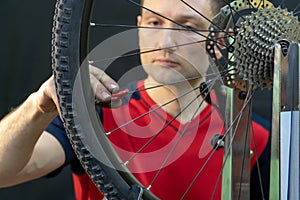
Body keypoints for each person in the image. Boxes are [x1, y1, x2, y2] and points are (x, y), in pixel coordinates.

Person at [0, 0, 270, 199]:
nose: (165, 42)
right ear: (139, 26)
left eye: (188, 27)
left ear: (221, 41)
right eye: (154, 23)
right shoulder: (97, 117)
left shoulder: (252, 137)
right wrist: (38, 106)